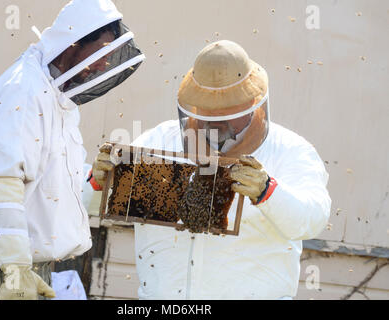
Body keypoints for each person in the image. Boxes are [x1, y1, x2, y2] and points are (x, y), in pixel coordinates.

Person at [91, 40, 331, 299]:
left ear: (253, 101)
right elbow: (88, 208)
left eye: (227, 111)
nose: (217, 122)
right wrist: (97, 183)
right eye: (209, 112)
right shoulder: (156, 142)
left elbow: (312, 219)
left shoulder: (290, 150)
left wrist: (268, 192)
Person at [0, 0, 144, 300]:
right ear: (73, 43)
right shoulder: (25, 89)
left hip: (26, 263)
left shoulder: (55, 97)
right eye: (101, 51)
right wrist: (15, 268)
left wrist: (93, 180)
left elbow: (52, 187)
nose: (104, 63)